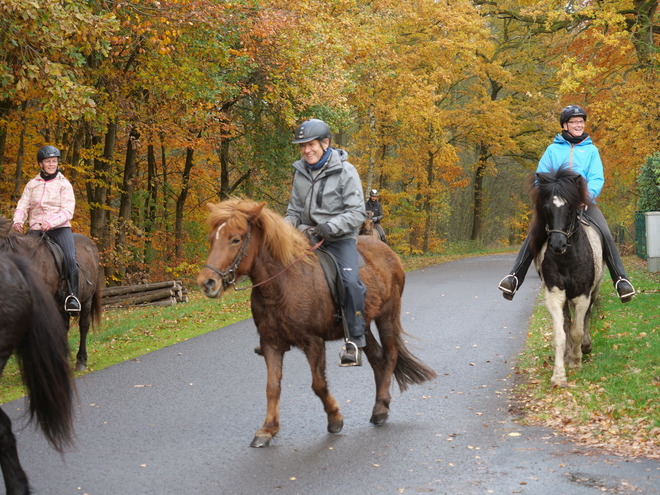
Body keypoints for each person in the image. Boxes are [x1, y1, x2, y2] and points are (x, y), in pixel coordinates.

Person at [498, 105, 635, 303]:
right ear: (565, 125)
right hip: (557, 204)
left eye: (581, 122)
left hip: (583, 203)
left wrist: (586, 197)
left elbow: (597, 178)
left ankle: (621, 280)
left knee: (605, 233)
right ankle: (514, 277)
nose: (579, 125)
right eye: (574, 122)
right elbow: (541, 178)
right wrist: (549, 198)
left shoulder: (591, 150)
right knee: (534, 233)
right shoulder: (552, 150)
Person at [285, 118, 368, 366]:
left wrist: (330, 227)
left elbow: (356, 213)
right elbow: (293, 211)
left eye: (310, 144)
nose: (306, 150)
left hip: (338, 238)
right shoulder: (300, 172)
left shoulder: (346, 172)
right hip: (305, 236)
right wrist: (281, 230)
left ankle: (354, 340)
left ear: (325, 143)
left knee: (351, 282)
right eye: (302, 146)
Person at [12, 145, 81, 313]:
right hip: (36, 229)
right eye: (48, 161)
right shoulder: (32, 184)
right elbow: (23, 205)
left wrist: (52, 222)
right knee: (19, 255)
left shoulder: (64, 185)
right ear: (40, 164)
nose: (51, 164)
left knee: (70, 258)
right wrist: (18, 220)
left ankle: (73, 297)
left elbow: (67, 210)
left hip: (59, 229)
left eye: (54, 161)